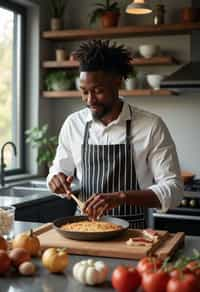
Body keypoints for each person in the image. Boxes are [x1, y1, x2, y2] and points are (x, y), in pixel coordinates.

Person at [47, 40, 183, 228]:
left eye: (98, 91)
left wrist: (121, 197)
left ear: (117, 82)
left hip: (133, 235)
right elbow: (58, 170)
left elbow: (173, 190)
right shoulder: (73, 124)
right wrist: (56, 180)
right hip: (84, 229)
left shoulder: (151, 126)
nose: (90, 100)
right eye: (84, 92)